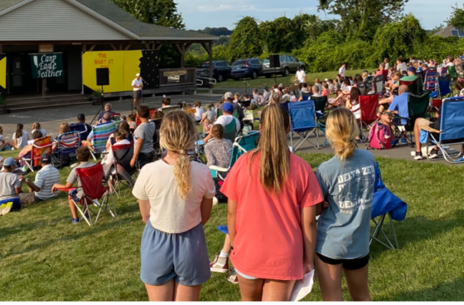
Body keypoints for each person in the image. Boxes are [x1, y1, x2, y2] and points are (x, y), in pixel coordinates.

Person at [221, 104, 323, 302]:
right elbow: (309, 222)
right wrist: (309, 260)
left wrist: (234, 245)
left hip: (248, 250)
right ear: (288, 126)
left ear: (261, 128)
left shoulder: (243, 163)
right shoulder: (302, 168)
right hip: (285, 255)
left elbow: (231, 213)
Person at [132, 110, 215, 302]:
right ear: (191, 136)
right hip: (191, 242)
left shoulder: (148, 171)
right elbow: (204, 216)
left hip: (156, 242)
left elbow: (146, 217)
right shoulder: (203, 172)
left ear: (163, 137)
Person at [314, 108, 374, 303]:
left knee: (332, 298)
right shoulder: (369, 159)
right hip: (359, 241)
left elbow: (314, 207)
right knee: (362, 296)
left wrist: (322, 205)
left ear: (329, 133)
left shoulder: (326, 170)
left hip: (330, 243)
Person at [52, 147, 97, 225]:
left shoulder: (76, 169)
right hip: (98, 194)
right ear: (89, 155)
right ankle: (85, 214)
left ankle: (75, 218)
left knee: (71, 193)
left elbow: (67, 186)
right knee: (84, 189)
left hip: (85, 196)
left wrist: (56, 185)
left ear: (77, 157)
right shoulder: (97, 166)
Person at [132, 105, 158, 170]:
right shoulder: (152, 124)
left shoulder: (140, 128)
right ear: (149, 114)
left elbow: (140, 143)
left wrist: (134, 158)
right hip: (151, 151)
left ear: (138, 115)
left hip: (143, 154)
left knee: (143, 172)